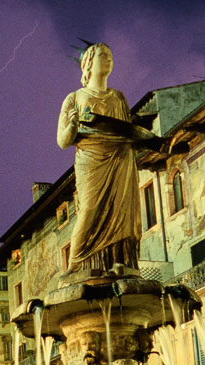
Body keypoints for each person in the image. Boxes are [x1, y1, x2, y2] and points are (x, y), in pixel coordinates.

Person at [57, 43, 140, 278]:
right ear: (88, 63)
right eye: (104, 55)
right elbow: (62, 141)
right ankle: (76, 263)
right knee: (89, 209)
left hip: (121, 158)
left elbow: (126, 130)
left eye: (111, 56)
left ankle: (119, 262)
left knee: (120, 210)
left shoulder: (119, 98)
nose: (109, 60)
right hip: (91, 159)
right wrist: (73, 124)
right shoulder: (74, 99)